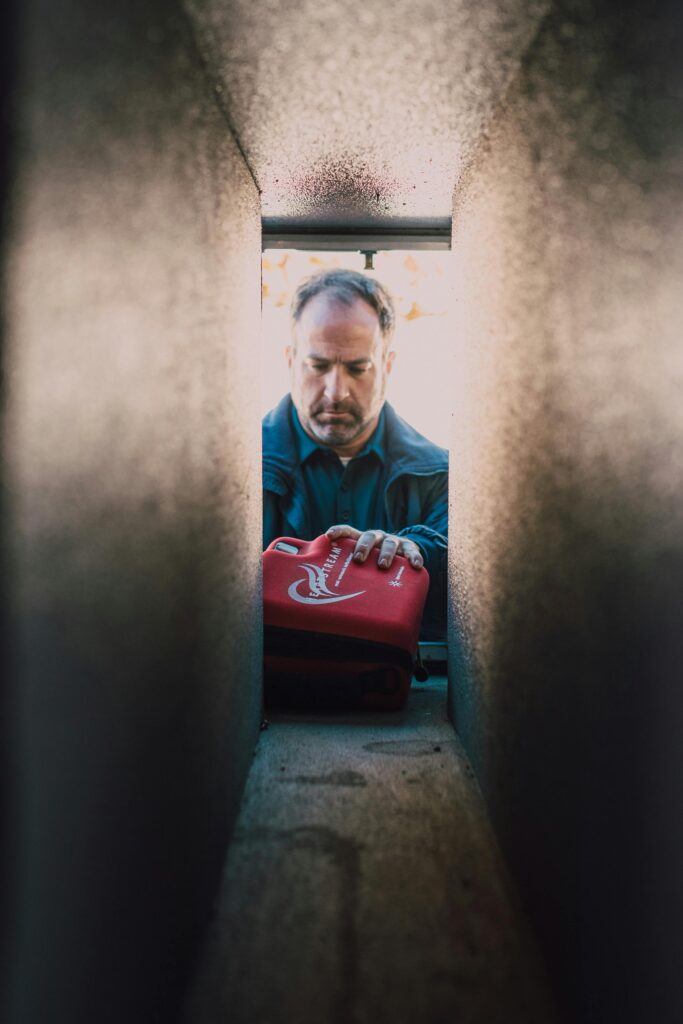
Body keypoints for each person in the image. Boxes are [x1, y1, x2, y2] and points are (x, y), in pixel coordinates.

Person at [262, 268, 448, 639]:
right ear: (289, 361)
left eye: (357, 368)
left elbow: (467, 578)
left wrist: (417, 551)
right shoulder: (234, 473)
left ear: (388, 366)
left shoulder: (441, 477)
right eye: (318, 366)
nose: (336, 392)